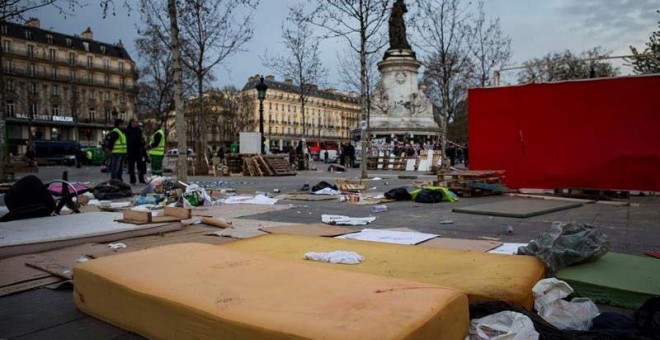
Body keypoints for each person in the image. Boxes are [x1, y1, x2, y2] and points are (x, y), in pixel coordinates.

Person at [126, 119, 147, 184]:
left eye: (135, 122)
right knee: (131, 167)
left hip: (138, 150)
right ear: (131, 123)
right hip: (131, 150)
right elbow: (129, 140)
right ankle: (132, 180)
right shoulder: (128, 130)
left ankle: (141, 179)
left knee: (140, 166)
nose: (134, 124)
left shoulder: (139, 130)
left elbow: (141, 139)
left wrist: (143, 143)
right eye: (133, 122)